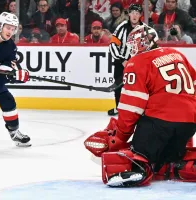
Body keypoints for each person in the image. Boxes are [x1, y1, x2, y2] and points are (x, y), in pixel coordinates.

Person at [84, 24, 196, 187]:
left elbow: (131, 108)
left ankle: (139, 168)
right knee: (168, 161)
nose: (131, 49)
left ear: (141, 43)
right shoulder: (176, 53)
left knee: (139, 154)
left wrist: (119, 137)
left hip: (161, 122)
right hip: (189, 124)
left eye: (132, 45)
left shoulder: (137, 63)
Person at [0, 12, 31, 147]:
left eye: (13, 28)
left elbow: (8, 68)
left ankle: (14, 132)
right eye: (8, 27)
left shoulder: (10, 46)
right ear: (0, 25)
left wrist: (17, 75)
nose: (10, 31)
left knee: (9, 102)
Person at [108, 3, 143, 116]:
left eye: (137, 13)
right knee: (119, 86)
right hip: (121, 63)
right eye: (132, 12)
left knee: (138, 86)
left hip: (137, 64)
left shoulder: (144, 29)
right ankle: (119, 107)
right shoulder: (121, 27)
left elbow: (148, 49)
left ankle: (139, 108)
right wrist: (122, 60)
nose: (134, 15)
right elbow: (113, 44)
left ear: (140, 15)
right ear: (128, 14)